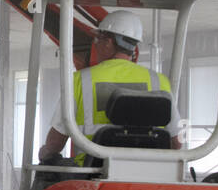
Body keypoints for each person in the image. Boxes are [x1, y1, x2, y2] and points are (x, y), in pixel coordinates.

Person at [37, 9, 180, 164]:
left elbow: (55, 143)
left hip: (92, 174)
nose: (95, 45)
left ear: (109, 42)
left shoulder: (80, 80)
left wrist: (45, 152)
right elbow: (176, 143)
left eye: (98, 39)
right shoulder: (159, 81)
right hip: (149, 175)